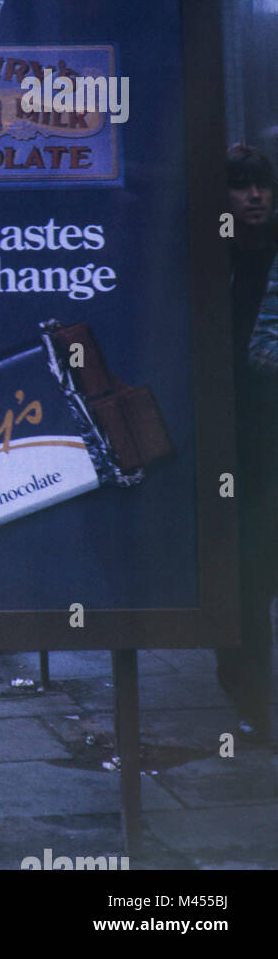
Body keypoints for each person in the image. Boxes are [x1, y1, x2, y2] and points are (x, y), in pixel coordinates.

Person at [226, 144, 278, 744]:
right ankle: (251, 696)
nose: (255, 197)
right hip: (237, 434)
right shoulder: (213, 261)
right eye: (240, 187)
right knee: (245, 570)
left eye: (261, 186)